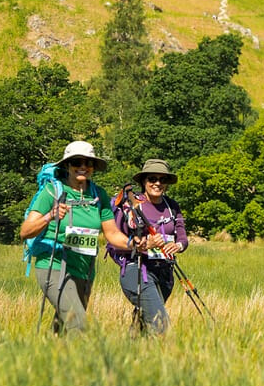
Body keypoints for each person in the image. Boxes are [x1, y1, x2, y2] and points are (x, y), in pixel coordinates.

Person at [17, 140, 130, 334]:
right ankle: (83, 365)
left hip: (85, 270)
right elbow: (25, 231)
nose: (83, 167)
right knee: (77, 324)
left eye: (88, 163)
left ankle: (49, 361)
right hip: (53, 266)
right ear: (67, 165)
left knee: (63, 328)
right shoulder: (52, 191)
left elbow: (111, 234)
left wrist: (135, 243)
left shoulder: (98, 195)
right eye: (77, 162)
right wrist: (49, 216)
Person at [110, 158, 187, 335]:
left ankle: (132, 356)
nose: (157, 183)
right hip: (137, 270)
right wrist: (145, 244)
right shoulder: (132, 204)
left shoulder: (172, 206)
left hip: (165, 273)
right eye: (152, 178)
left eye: (163, 179)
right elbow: (117, 236)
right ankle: (163, 359)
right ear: (144, 181)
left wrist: (177, 246)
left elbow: (182, 237)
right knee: (159, 323)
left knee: (143, 325)